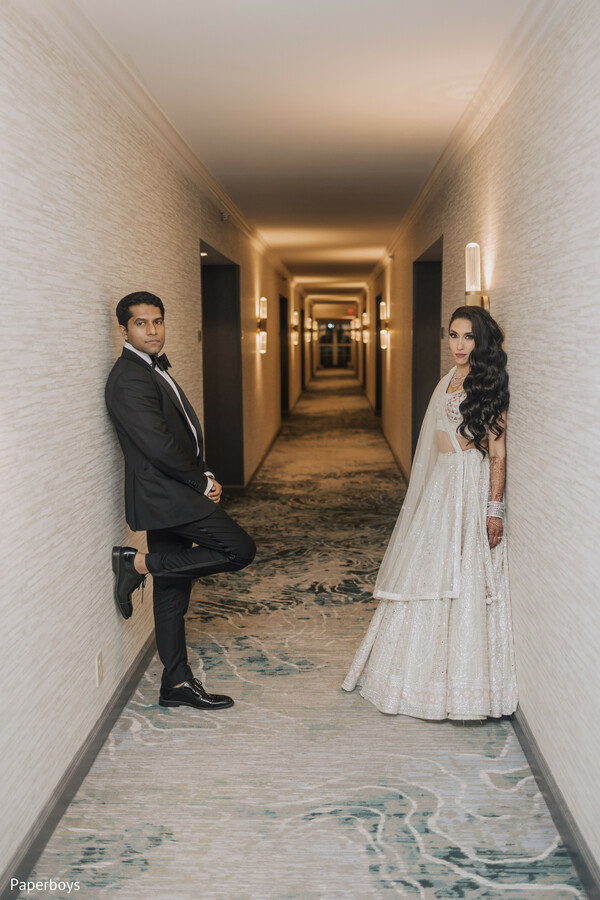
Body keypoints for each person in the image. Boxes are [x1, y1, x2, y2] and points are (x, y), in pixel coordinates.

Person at [342, 305, 518, 720]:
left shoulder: (487, 382)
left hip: (467, 485)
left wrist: (494, 508)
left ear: (482, 340)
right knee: (426, 568)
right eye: (453, 336)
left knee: (463, 574)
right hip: (442, 483)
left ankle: (459, 686)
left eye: (468, 337)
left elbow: (497, 451)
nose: (459, 345)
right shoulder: (451, 377)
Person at [105, 291, 256, 712]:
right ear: (123, 329)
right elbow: (158, 445)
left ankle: (175, 682)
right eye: (141, 323)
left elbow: (180, 433)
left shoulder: (151, 369)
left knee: (173, 593)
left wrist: (201, 471)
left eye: (157, 321)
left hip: (172, 490)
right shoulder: (129, 377)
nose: (152, 331)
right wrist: (199, 479)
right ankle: (135, 564)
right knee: (239, 549)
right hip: (166, 495)